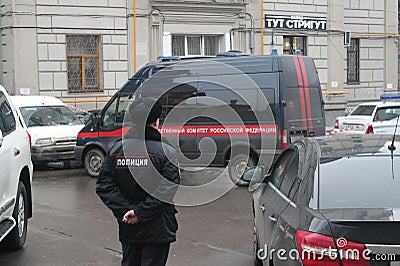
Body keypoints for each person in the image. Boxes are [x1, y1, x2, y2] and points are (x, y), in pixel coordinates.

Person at [96, 97, 180, 266]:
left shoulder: (116, 149)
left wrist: (128, 211)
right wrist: (140, 213)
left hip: (129, 226)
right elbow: (167, 189)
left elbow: (104, 185)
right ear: (157, 121)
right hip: (157, 227)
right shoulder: (166, 151)